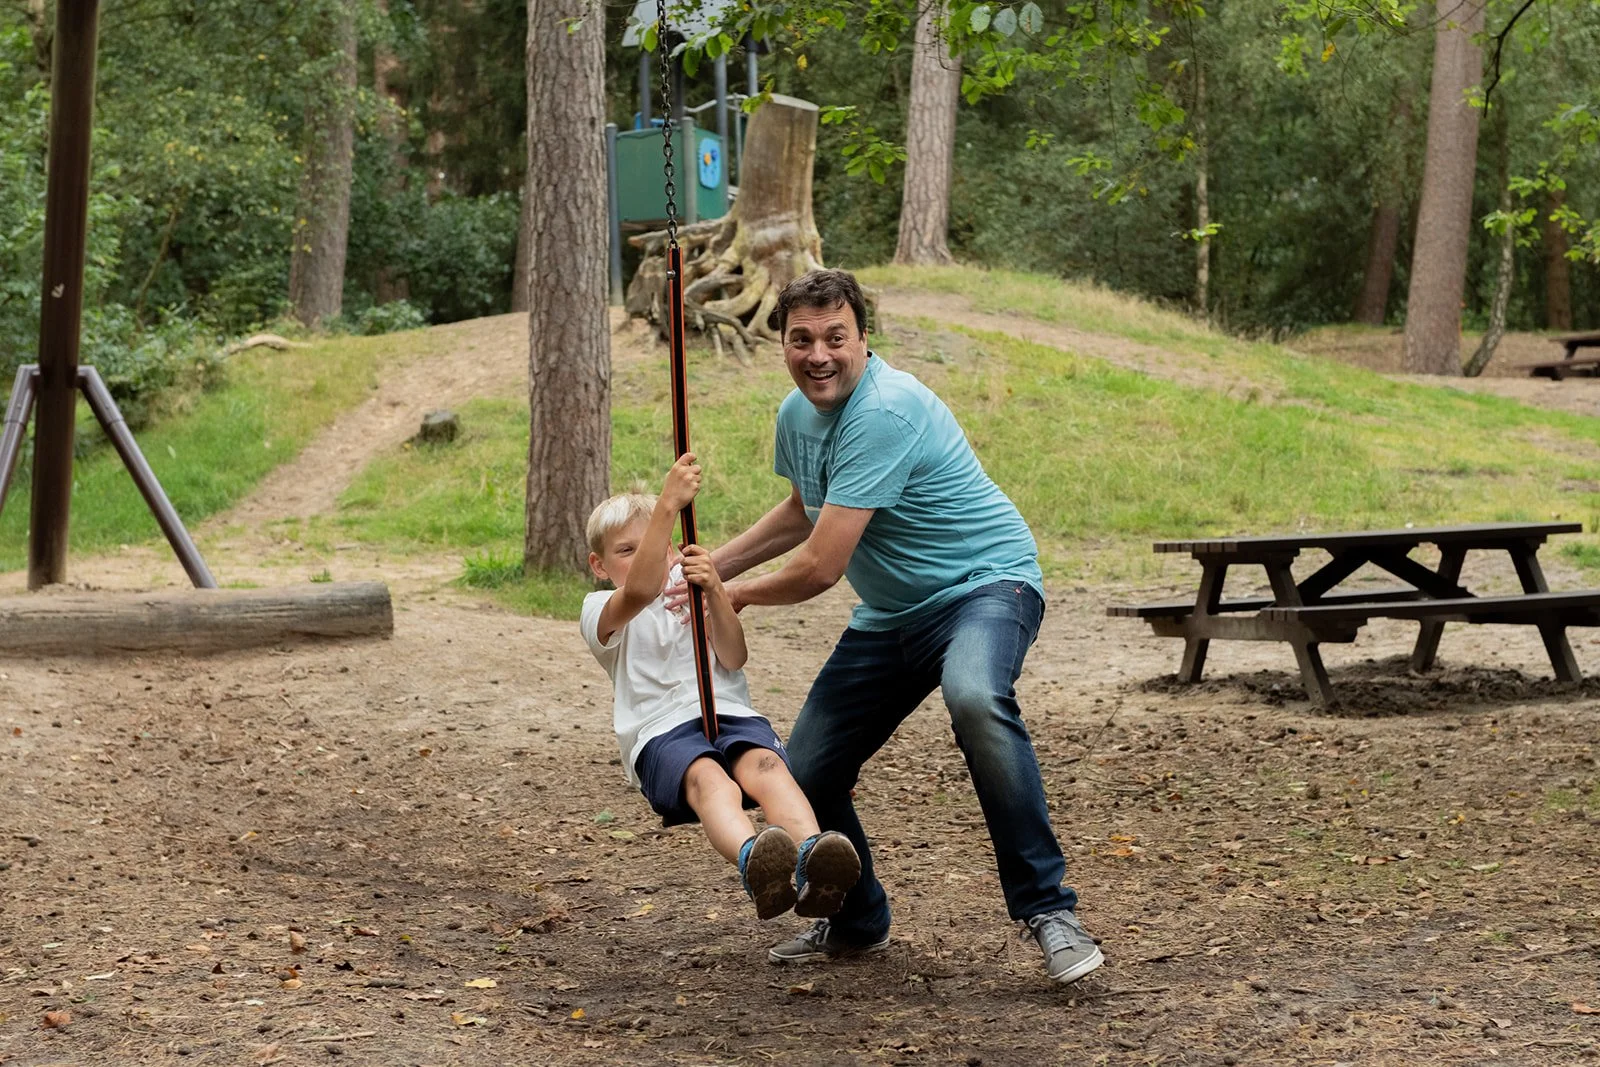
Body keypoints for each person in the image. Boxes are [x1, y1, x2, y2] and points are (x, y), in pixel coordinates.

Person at [672, 269, 1102, 984]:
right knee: (804, 769)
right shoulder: (796, 415)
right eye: (801, 339)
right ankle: (858, 918)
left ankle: (1049, 909)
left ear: (863, 339)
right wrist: (706, 565)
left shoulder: (885, 410)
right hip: (892, 615)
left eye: (835, 338)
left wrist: (733, 593)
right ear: (782, 342)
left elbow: (819, 565)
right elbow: (803, 508)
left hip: (984, 585)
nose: (819, 355)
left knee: (974, 697)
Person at [580, 454, 861, 923]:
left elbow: (734, 657)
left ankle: (815, 859)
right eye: (626, 550)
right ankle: (757, 862)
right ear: (599, 565)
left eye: (660, 546)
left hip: (730, 713)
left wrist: (714, 593)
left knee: (768, 766)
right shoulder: (601, 609)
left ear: (677, 551)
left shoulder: (692, 591)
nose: (647, 556)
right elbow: (641, 590)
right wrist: (668, 505)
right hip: (661, 731)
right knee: (711, 781)